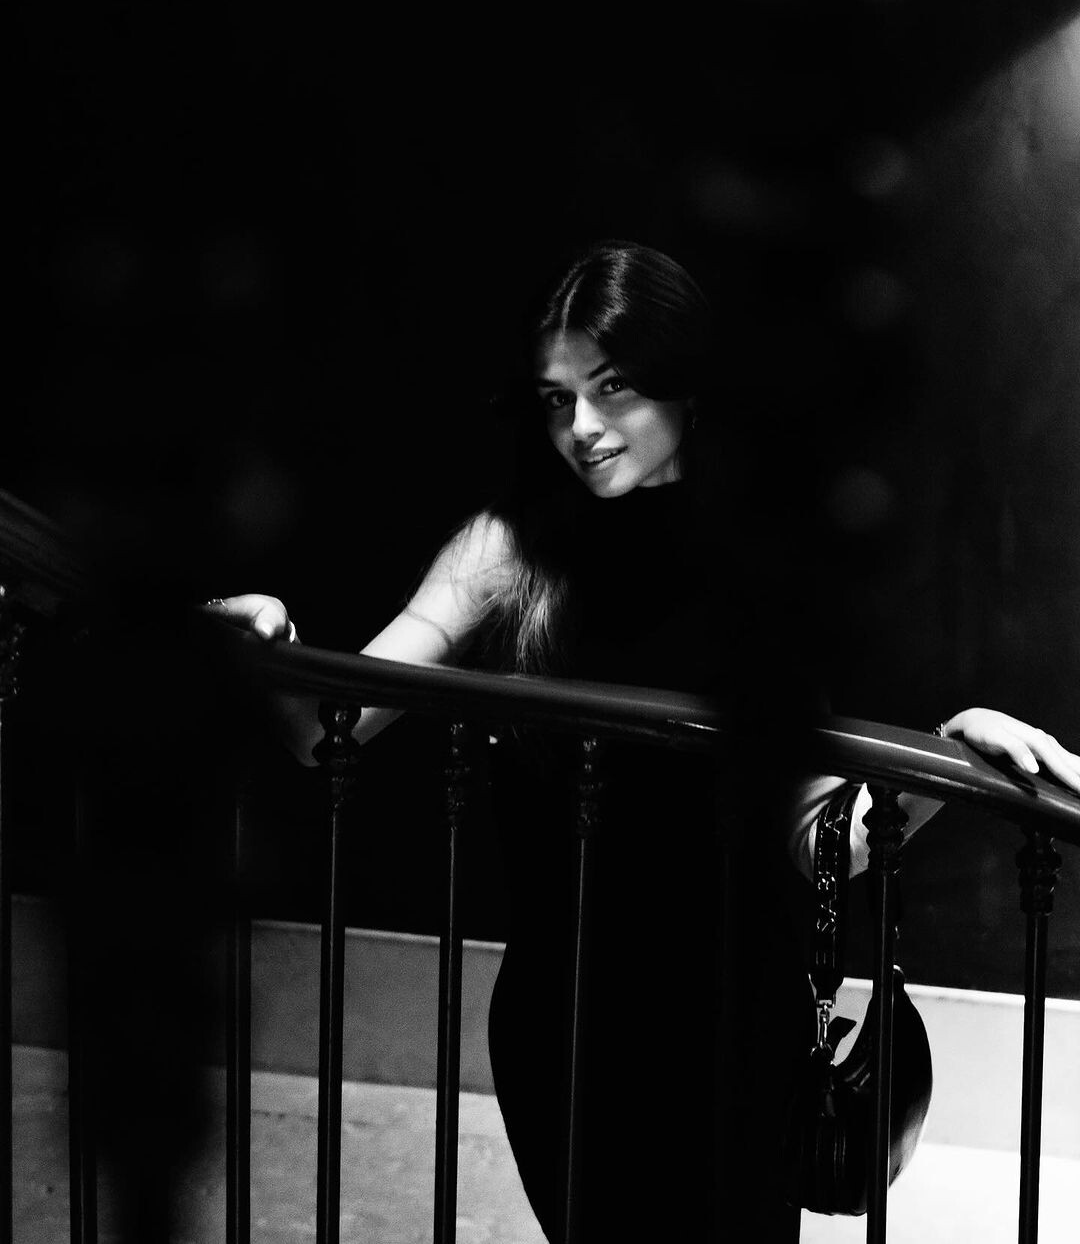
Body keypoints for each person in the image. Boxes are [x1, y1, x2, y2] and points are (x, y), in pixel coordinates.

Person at [208, 242, 1080, 1240]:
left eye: (613, 387)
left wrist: (955, 757)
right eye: (557, 398)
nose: (581, 427)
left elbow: (818, 839)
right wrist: (269, 644)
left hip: (733, 1032)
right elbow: (329, 734)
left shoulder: (758, 573)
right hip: (567, 1032)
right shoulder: (505, 551)